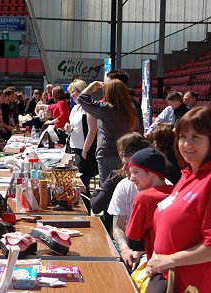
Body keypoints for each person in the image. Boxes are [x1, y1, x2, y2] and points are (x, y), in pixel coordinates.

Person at [146, 107, 211, 292]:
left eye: (196, 137)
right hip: (168, 277)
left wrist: (170, 259)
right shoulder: (188, 175)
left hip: (192, 284)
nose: (187, 144)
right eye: (183, 136)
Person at [78, 79, 138, 183]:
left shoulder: (107, 108)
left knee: (107, 187)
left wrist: (93, 85)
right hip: (125, 151)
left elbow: (82, 98)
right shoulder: (130, 108)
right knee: (122, 185)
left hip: (107, 153)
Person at [90, 132, 150, 234]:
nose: (120, 154)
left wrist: (96, 191)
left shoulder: (116, 178)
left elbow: (96, 206)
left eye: (122, 150)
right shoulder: (122, 182)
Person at [125, 148, 173, 260]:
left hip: (158, 265)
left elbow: (133, 242)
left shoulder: (144, 198)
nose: (131, 178)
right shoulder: (177, 192)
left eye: (136, 172)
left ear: (152, 173)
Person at [66, 79, 98, 208]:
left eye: (73, 92)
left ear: (81, 91)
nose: (71, 95)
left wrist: (85, 150)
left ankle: (85, 212)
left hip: (83, 151)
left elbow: (92, 131)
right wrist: (67, 127)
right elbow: (74, 128)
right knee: (75, 184)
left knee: (82, 185)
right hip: (73, 149)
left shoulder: (89, 108)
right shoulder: (75, 109)